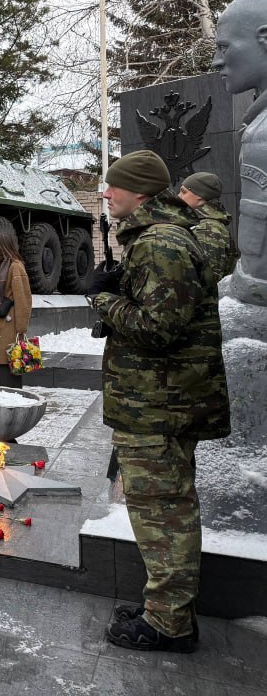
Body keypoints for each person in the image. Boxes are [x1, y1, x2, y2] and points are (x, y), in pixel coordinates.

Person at [88, 149, 229, 653]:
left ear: (140, 193)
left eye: (113, 186)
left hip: (159, 406)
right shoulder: (156, 237)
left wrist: (102, 298)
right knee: (163, 510)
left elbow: (157, 329)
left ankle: (169, 624)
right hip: (157, 401)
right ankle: (164, 609)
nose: (105, 193)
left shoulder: (161, 243)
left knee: (163, 514)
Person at [0, 232, 32, 387]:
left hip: (7, 329)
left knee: (7, 374)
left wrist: (21, 330)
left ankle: (11, 409)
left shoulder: (15, 267)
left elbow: (23, 299)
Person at [177, 172, 237, 280]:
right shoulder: (201, 224)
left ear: (199, 196)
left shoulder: (207, 229)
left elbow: (208, 280)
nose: (178, 196)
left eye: (183, 192)